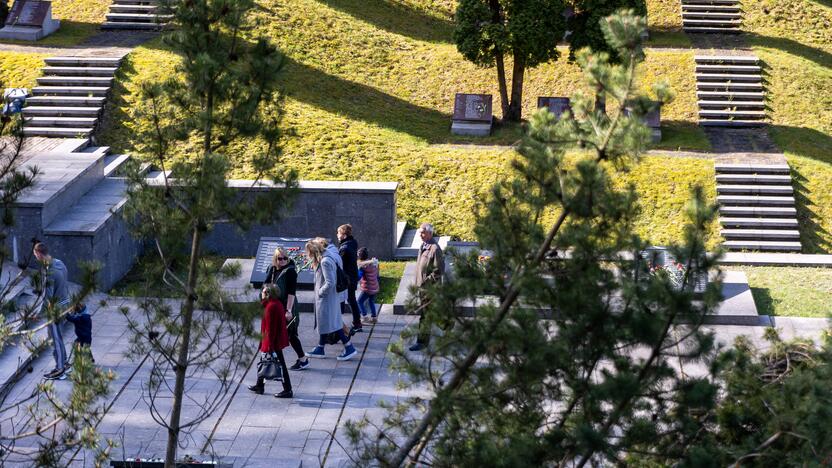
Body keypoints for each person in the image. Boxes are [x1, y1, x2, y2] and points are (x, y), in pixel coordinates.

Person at [306, 239, 358, 361]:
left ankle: (349, 347)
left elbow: (330, 282)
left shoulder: (325, 262)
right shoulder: (326, 258)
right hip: (329, 298)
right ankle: (320, 347)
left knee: (334, 324)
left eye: (309, 253)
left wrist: (320, 292)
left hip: (326, 299)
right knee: (327, 322)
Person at [264, 247, 308, 371]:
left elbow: (291, 292)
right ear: (275, 258)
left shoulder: (290, 272)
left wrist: (288, 310)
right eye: (279, 258)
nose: (282, 261)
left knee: (290, 333)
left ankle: (301, 359)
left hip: (287, 306)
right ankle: (301, 359)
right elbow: (265, 283)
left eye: (285, 258)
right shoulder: (271, 269)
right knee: (279, 333)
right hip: (274, 306)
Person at [33, 242, 70, 380]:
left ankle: (60, 369)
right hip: (66, 303)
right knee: (58, 336)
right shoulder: (60, 263)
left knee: (55, 338)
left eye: (35, 255)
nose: (35, 258)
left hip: (56, 310)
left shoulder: (48, 272)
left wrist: (38, 314)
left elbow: (48, 297)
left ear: (39, 254)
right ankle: (65, 363)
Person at [248, 284, 293, 398]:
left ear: (268, 294)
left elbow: (270, 329)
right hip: (272, 340)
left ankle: (287, 389)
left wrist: (268, 346)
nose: (261, 294)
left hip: (272, 341)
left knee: (279, 364)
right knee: (264, 361)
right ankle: (259, 385)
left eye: (263, 292)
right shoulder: (274, 304)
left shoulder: (271, 307)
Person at [409, 223, 444, 352]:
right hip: (422, 289)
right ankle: (446, 324)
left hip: (429, 289)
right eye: (420, 232)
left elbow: (439, 271)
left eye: (423, 232)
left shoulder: (435, 249)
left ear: (430, 233)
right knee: (429, 313)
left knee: (425, 315)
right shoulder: (423, 246)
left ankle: (422, 342)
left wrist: (425, 282)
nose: (420, 234)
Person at [337, 224, 362, 333]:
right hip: (352, 276)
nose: (337, 235)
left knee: (346, 300)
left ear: (344, 235)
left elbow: (339, 263)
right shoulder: (352, 243)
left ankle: (339, 324)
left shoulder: (344, 248)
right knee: (352, 300)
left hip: (347, 278)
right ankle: (357, 323)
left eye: (338, 233)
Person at [357, 247, 380, 325]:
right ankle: (374, 318)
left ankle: (364, 316)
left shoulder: (363, 267)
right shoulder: (374, 263)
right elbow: (377, 275)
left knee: (359, 301)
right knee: (371, 301)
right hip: (375, 286)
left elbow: (358, 277)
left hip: (367, 288)